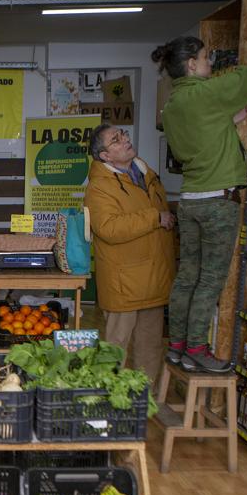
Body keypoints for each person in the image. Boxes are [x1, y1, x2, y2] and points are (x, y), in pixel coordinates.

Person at [153, 0, 247, 373]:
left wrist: (227, 123)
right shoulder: (208, 92)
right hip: (219, 202)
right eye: (205, 58)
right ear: (191, 64)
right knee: (210, 280)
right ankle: (198, 349)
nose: (209, 63)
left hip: (190, 200)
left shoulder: (172, 106)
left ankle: (179, 344)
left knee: (187, 276)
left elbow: (199, 142)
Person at [85, 124, 176, 385]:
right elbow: (109, 228)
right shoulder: (98, 187)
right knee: (115, 349)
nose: (125, 139)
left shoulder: (146, 173)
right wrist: (154, 218)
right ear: (105, 156)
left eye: (123, 134)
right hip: (124, 282)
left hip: (155, 277)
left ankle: (141, 404)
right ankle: (106, 401)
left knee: (150, 348)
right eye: (116, 139)